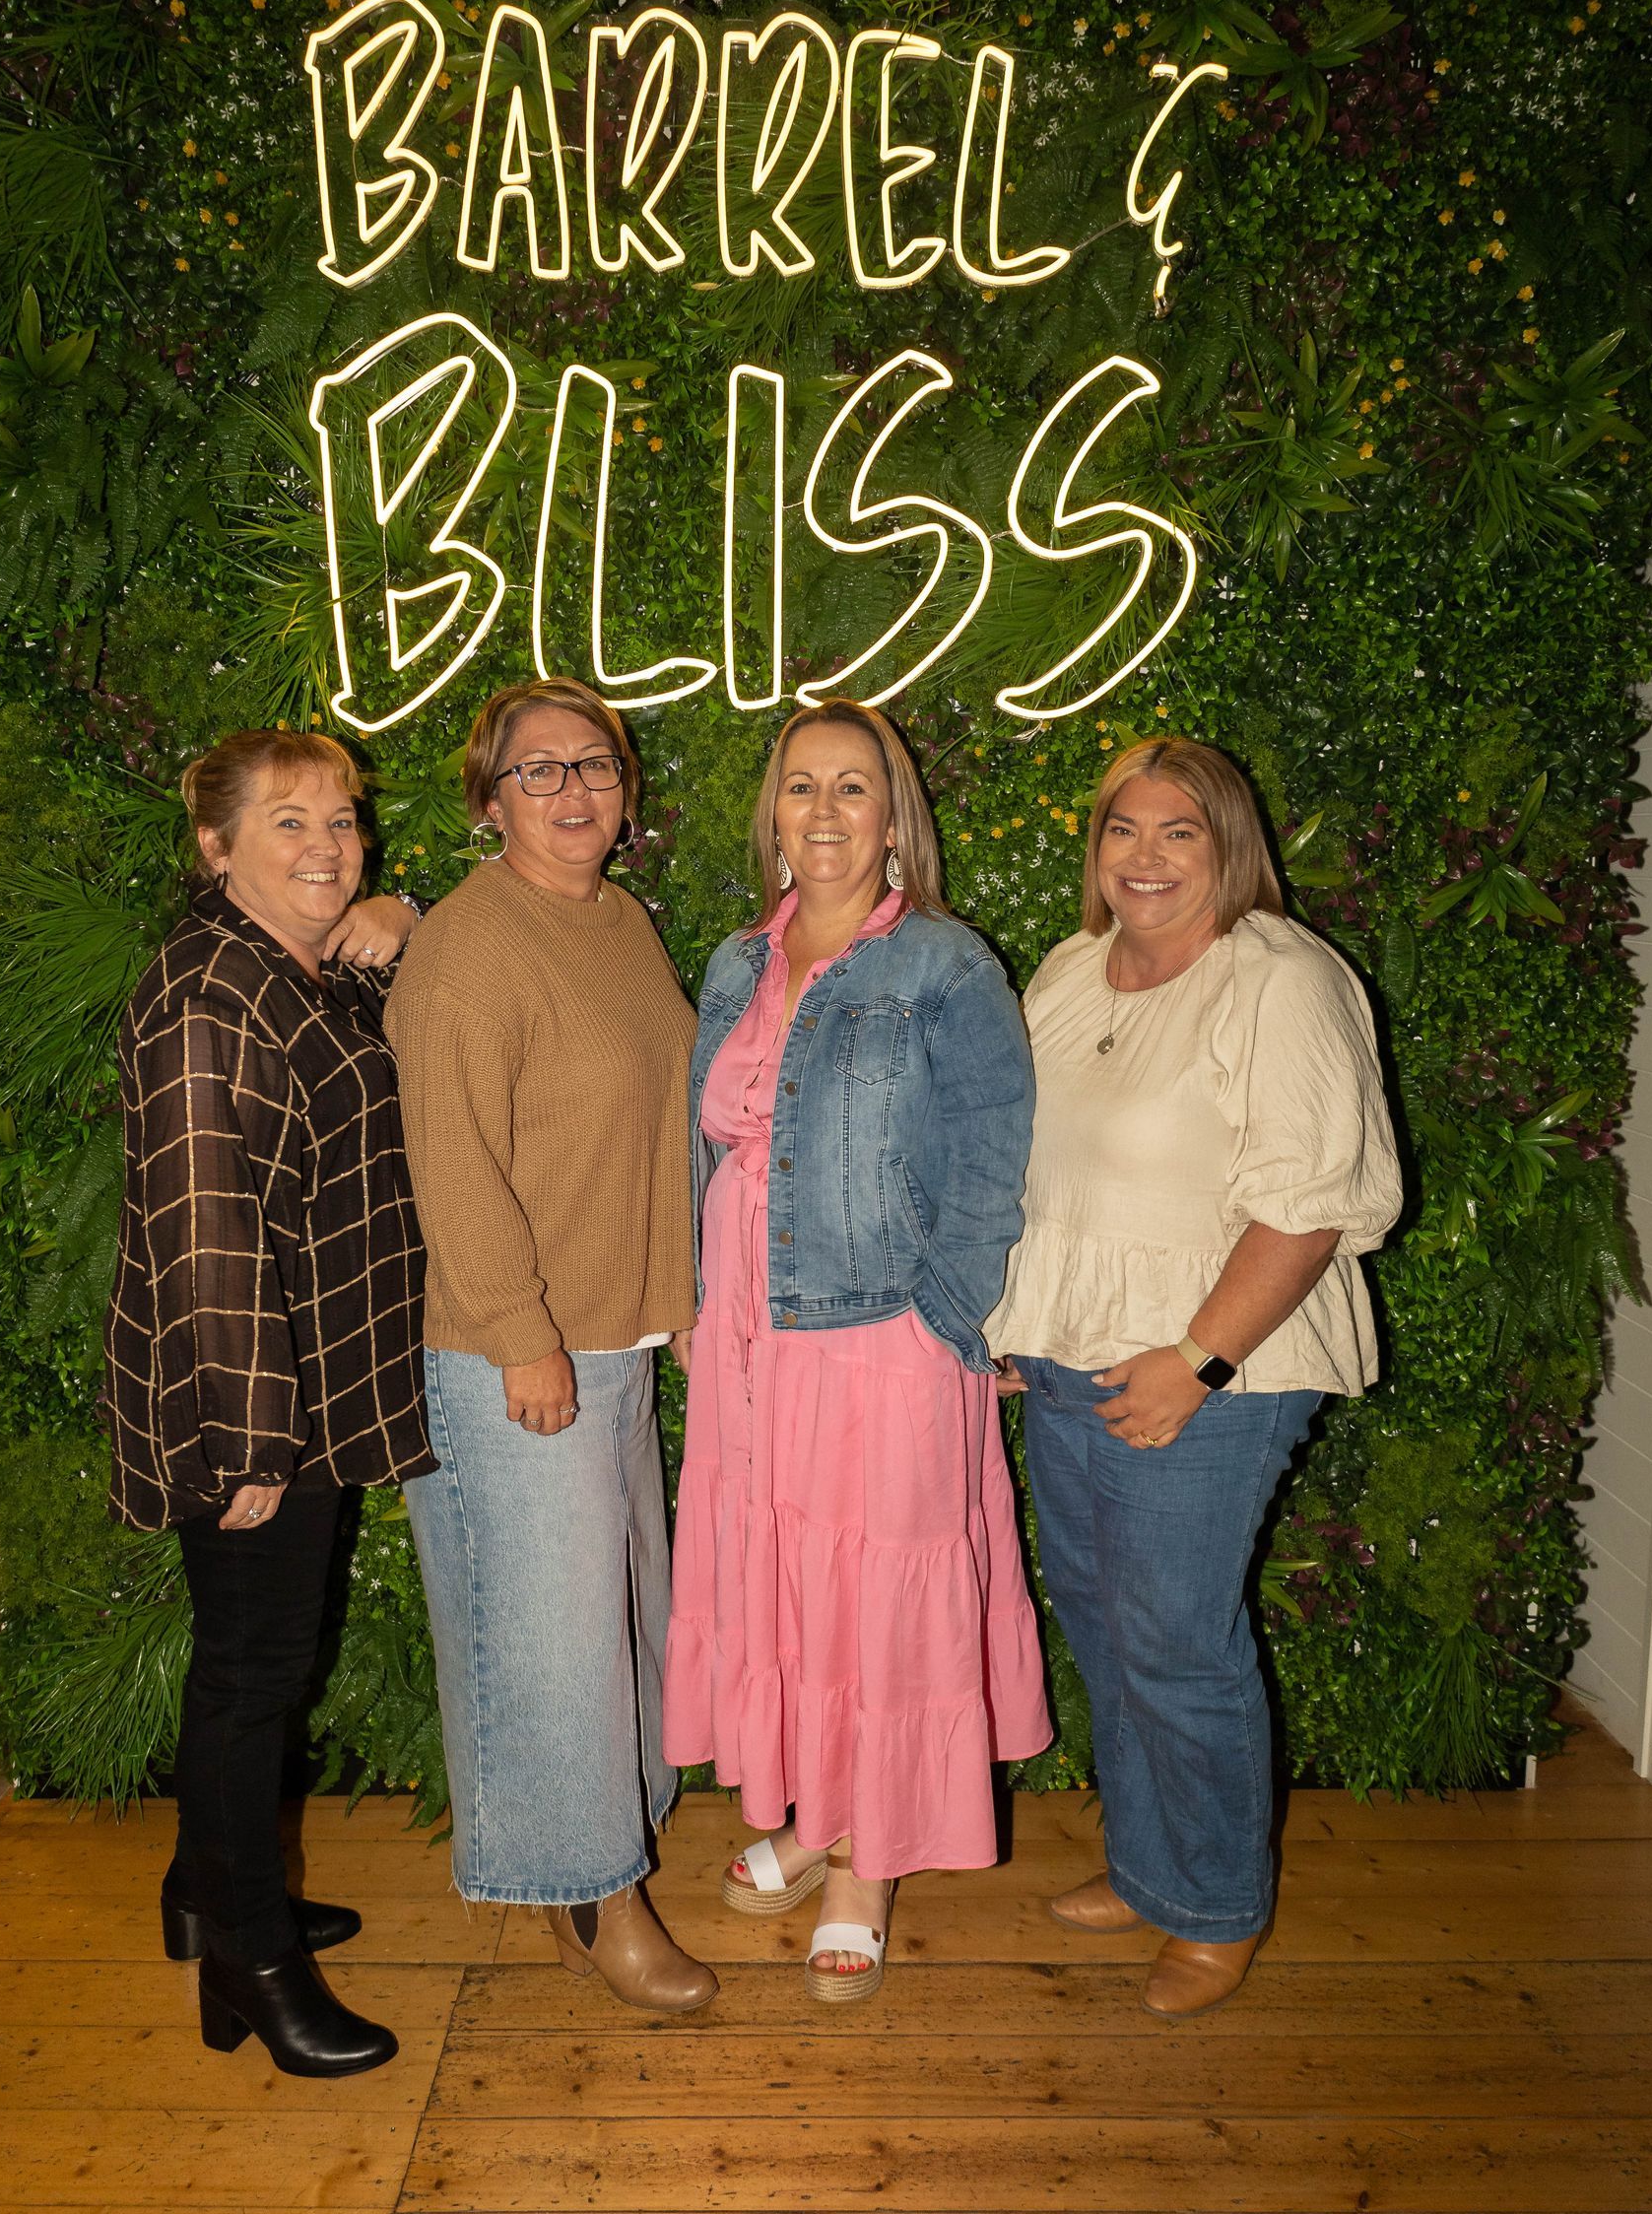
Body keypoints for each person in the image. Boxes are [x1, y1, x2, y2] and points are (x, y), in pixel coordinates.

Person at [988, 736, 1403, 2018]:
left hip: (1216, 1368)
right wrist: (1017, 1314)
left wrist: (1200, 1361)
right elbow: (1029, 1160)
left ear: (1231, 844)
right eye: (1126, 828)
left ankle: (1217, 1907)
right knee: (1108, 1625)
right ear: (1095, 844)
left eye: (1182, 831)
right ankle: (1149, 1866)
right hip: (1071, 1357)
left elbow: (1312, 1208)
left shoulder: (1281, 980)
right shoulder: (1068, 972)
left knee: (1177, 1637)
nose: (1148, 856)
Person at [664, 699, 1050, 2004]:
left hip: (881, 1333)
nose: (822, 814)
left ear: (895, 821)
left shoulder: (942, 965)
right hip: (753, 1334)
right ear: (772, 816)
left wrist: (947, 1308)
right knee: (783, 1579)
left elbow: (1000, 1153)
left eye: (852, 790)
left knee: (876, 1599)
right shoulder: (733, 962)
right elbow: (710, 1143)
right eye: (800, 789)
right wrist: (698, 1302)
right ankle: (812, 1809)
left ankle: (865, 1865)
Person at [385, 677, 716, 2016]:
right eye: (539, 772)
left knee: (627, 1615)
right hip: (514, 1355)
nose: (575, 790)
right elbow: (451, 1161)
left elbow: (652, 1131)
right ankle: (593, 1899)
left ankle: (600, 1850)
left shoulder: (619, 921)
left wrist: (679, 1296)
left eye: (595, 765)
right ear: (488, 800)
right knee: (553, 1640)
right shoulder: (468, 948)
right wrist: (521, 1337)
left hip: (616, 1336)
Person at [105, 727, 432, 2077]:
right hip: (248, 1403)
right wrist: (253, 1443)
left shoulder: (288, 965)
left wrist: (396, 921)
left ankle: (208, 1888)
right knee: (254, 1675)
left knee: (262, 1666)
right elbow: (208, 1232)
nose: (325, 844)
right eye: (288, 822)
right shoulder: (204, 1002)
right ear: (214, 846)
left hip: (306, 1376)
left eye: (343, 819)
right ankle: (250, 1955)